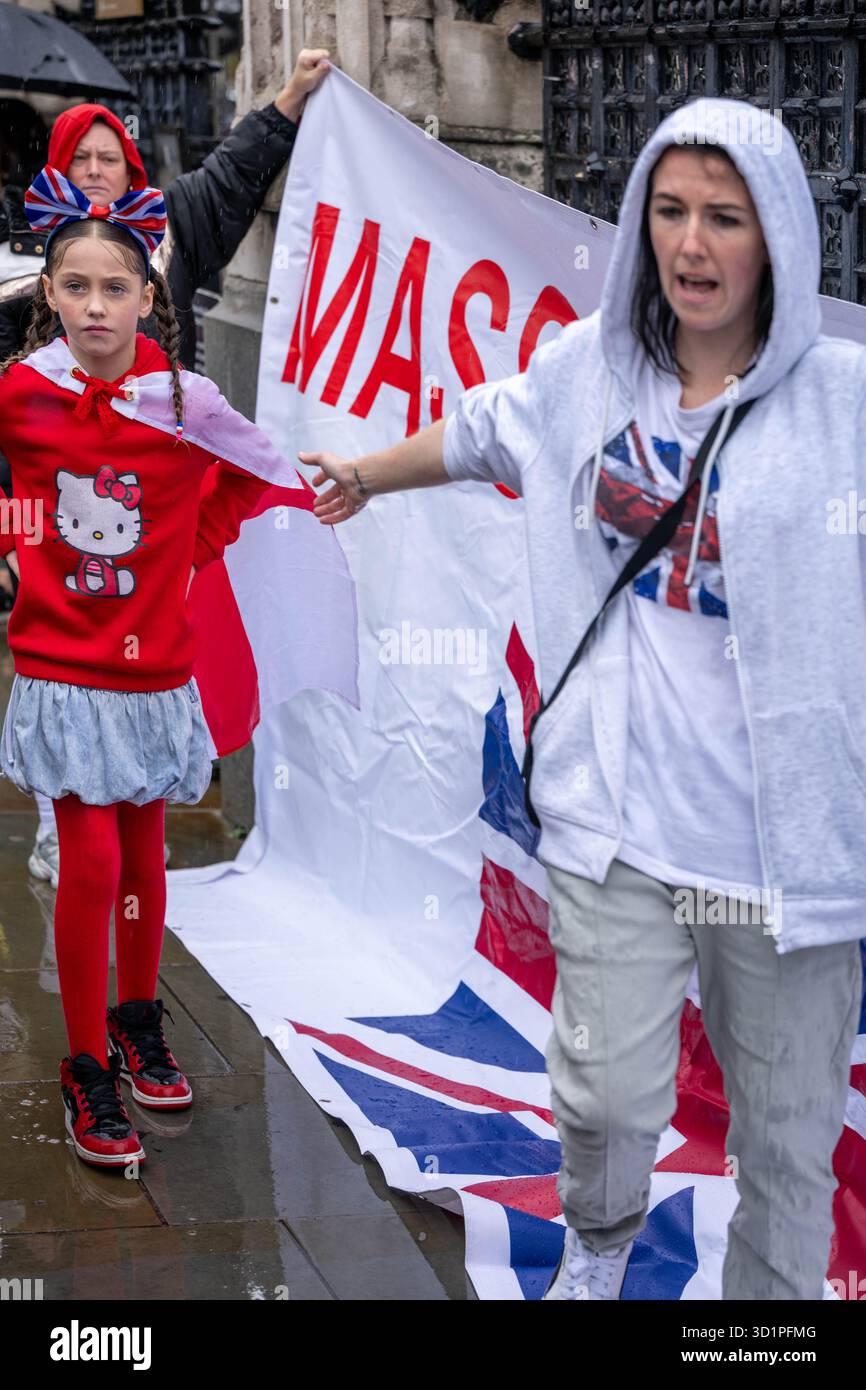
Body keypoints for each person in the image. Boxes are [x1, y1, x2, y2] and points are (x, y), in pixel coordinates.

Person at [300, 96, 866, 1301]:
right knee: (604, 1091)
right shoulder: (586, 373)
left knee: (784, 1138)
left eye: (724, 216)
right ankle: (601, 1241)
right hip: (616, 821)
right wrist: (359, 473)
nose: (691, 244)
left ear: (776, 234)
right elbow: (474, 433)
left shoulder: (842, 405)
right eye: (669, 212)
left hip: (782, 850)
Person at [0, 166, 306, 1167]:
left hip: (153, 672)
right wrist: (22, 544)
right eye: (75, 286)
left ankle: (136, 1018)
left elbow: (266, 474)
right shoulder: (20, 390)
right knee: (87, 861)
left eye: (115, 287)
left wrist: (188, 548)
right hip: (61, 666)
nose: (96, 305)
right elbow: (16, 492)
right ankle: (84, 1065)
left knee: (141, 862)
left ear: (147, 295)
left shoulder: (185, 400)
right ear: (49, 294)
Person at [0, 48, 331, 888]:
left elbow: (234, 174)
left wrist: (291, 96)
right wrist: (15, 531)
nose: (97, 169)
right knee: (63, 684)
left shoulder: (176, 224)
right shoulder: (22, 272)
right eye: (81, 158)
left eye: (111, 156)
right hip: (62, 539)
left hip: (159, 520)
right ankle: (62, 828)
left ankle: (144, 806)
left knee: (160, 673)